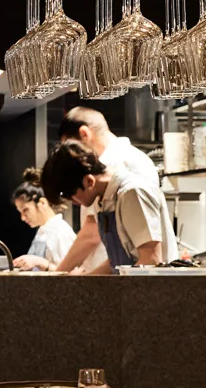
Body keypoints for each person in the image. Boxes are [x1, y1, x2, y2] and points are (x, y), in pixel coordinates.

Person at [40, 139, 178, 272]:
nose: (73, 202)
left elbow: (151, 260)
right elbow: (117, 263)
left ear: (89, 181)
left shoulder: (132, 193)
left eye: (70, 195)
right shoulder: (101, 200)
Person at [52, 106, 161, 274]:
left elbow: (150, 259)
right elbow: (123, 256)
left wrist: (57, 276)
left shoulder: (126, 174)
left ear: (84, 133)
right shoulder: (102, 189)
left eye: (72, 146)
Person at [11, 168, 75, 270]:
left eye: (26, 210)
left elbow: (70, 276)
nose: (23, 218)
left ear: (42, 203)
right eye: (20, 212)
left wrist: (41, 263)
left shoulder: (61, 233)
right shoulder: (42, 231)